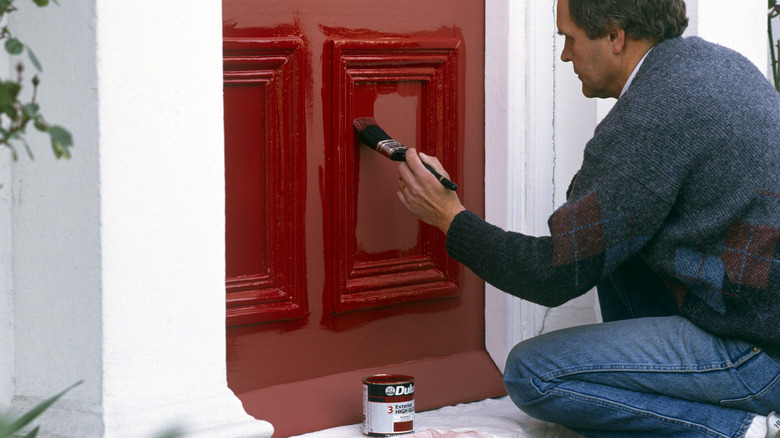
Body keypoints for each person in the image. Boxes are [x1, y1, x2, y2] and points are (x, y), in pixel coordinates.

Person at [395, 0, 780, 436]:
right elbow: (593, 236)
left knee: (532, 372)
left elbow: (554, 274)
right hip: (754, 323)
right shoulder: (712, 64)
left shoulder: (653, 113)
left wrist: (450, 218)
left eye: (570, 38)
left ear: (615, 36)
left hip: (756, 355)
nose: (564, 54)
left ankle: (746, 430)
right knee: (618, 244)